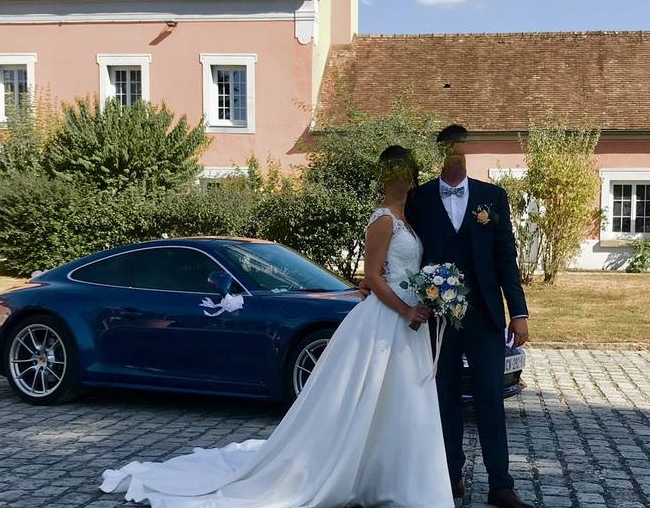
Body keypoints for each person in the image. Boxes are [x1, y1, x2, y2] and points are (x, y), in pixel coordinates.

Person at [99, 145, 454, 508]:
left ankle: (395, 475)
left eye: (407, 172)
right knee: (373, 398)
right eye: (397, 173)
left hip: (409, 318)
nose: (404, 179)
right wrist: (405, 310)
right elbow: (373, 278)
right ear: (387, 176)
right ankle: (361, 474)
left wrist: (428, 293)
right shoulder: (383, 220)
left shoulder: (409, 219)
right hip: (388, 318)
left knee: (402, 399)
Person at [404, 124, 532, 508]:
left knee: (490, 397)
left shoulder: (493, 197)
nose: (456, 154)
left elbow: (505, 257)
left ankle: (501, 484)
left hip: (484, 315)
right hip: (439, 319)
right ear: (441, 152)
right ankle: (450, 476)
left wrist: (518, 311)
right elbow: (410, 253)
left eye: (462, 147)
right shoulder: (419, 198)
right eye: (449, 148)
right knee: (444, 399)